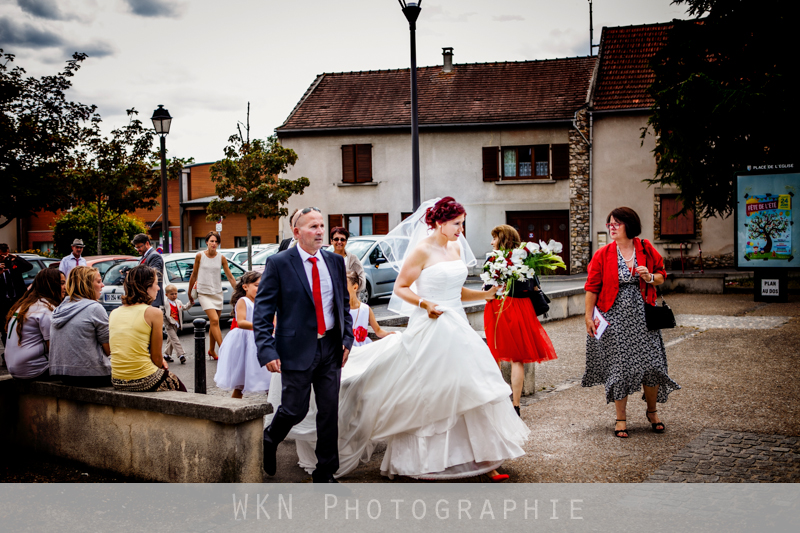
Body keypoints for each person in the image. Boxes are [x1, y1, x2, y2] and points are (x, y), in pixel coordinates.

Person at [265, 198, 529, 481]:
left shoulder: (454, 247)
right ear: (439, 222)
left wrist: (486, 295)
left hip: (454, 326)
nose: (461, 230)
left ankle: (484, 460)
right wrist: (425, 304)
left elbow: (455, 289)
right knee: (429, 393)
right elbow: (401, 288)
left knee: (468, 388)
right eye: (457, 224)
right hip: (427, 327)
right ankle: (273, 439)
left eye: (463, 223)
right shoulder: (421, 250)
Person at [254, 206, 354, 483]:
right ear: (297, 232)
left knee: (329, 412)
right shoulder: (279, 263)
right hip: (295, 350)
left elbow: (342, 305)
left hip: (331, 349)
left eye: (322, 225)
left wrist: (347, 339)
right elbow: (262, 311)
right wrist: (267, 349)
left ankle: (324, 472)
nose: (321, 231)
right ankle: (270, 438)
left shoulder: (335, 262)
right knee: (294, 409)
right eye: (313, 227)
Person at [582, 207, 680, 438]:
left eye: (617, 223)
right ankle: (621, 419)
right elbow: (592, 287)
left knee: (652, 365)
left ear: (629, 225)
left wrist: (649, 277)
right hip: (614, 317)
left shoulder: (645, 248)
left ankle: (652, 412)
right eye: (609, 224)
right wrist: (588, 316)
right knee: (619, 367)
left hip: (644, 316)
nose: (612, 227)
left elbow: (661, 275)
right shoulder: (603, 254)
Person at [483, 225, 558, 416]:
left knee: (495, 355)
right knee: (518, 360)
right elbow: (532, 285)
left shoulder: (493, 260)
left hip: (499, 308)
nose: (491, 242)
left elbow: (487, 293)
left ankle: (497, 403)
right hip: (522, 308)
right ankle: (516, 405)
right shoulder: (527, 259)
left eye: (494, 238)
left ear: (502, 239)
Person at [109, 265, 186, 392]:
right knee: (179, 387)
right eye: (156, 284)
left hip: (117, 379)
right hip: (143, 378)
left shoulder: (114, 312)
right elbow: (156, 358)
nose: (158, 288)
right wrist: (161, 366)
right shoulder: (153, 313)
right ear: (146, 286)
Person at [49, 266, 112, 387]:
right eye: (98, 281)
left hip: (63, 374)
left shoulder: (60, 307)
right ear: (87, 285)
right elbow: (109, 349)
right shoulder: (94, 308)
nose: (102, 285)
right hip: (91, 374)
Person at [214, 271, 271, 399]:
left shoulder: (262, 302)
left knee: (268, 378)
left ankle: (272, 409)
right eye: (256, 285)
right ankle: (233, 410)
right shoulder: (243, 301)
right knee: (240, 382)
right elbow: (241, 322)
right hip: (245, 341)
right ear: (245, 287)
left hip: (261, 339)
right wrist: (259, 327)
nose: (260, 289)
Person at [4, 269, 65, 380]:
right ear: (50, 285)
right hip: (34, 369)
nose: (65, 287)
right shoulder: (45, 310)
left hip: (15, 368)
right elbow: (55, 349)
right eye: (61, 283)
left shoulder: (27, 305)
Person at [186, 231, 238, 360]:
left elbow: (230, 276)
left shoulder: (221, 258)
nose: (214, 244)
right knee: (214, 321)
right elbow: (194, 274)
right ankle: (224, 350)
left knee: (214, 323)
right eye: (211, 241)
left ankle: (211, 350)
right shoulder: (199, 256)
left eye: (216, 241)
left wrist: (238, 291)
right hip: (204, 292)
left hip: (217, 292)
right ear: (207, 242)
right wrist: (189, 292)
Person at [346, 270, 393, 347]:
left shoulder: (365, 309)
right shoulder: (340, 309)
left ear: (355, 287)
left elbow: (378, 331)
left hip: (363, 348)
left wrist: (389, 334)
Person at [1, 243, 34, 346]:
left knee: (20, 325)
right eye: (2, 255)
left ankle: (19, 347)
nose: (4, 258)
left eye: (6, 254)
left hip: (17, 300)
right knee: (4, 328)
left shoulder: (14, 264)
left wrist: (16, 258)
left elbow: (29, 266)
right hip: (4, 302)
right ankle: (7, 351)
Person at [330, 227, 366, 300]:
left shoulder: (353, 260)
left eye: (342, 239)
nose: (339, 242)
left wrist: (348, 282)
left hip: (350, 303)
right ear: (331, 241)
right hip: (332, 303)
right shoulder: (327, 259)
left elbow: (362, 283)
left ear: (346, 242)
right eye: (336, 239)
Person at [132, 234, 164, 308]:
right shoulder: (144, 256)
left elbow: (155, 274)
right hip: (145, 297)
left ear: (147, 243)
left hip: (152, 298)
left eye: (139, 247)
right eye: (136, 248)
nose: (137, 250)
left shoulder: (154, 256)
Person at [162, 284, 187, 364]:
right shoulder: (165, 303)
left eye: (175, 293)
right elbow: (163, 314)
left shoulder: (178, 302)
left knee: (171, 340)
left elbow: (184, 307)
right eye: (171, 294)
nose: (174, 295)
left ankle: (166, 356)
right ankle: (181, 355)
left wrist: (191, 302)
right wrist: (166, 322)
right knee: (175, 339)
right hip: (169, 325)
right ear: (167, 295)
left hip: (176, 324)